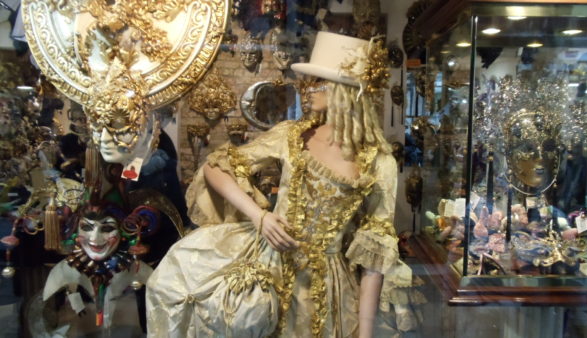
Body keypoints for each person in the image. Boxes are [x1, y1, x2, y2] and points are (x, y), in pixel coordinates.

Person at [146, 31, 423, 337]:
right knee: (177, 285)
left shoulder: (378, 162)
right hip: (267, 266)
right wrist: (258, 215)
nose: (307, 90)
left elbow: (374, 260)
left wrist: (366, 333)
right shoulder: (291, 135)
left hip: (327, 289)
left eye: (317, 82)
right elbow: (215, 168)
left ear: (340, 91)